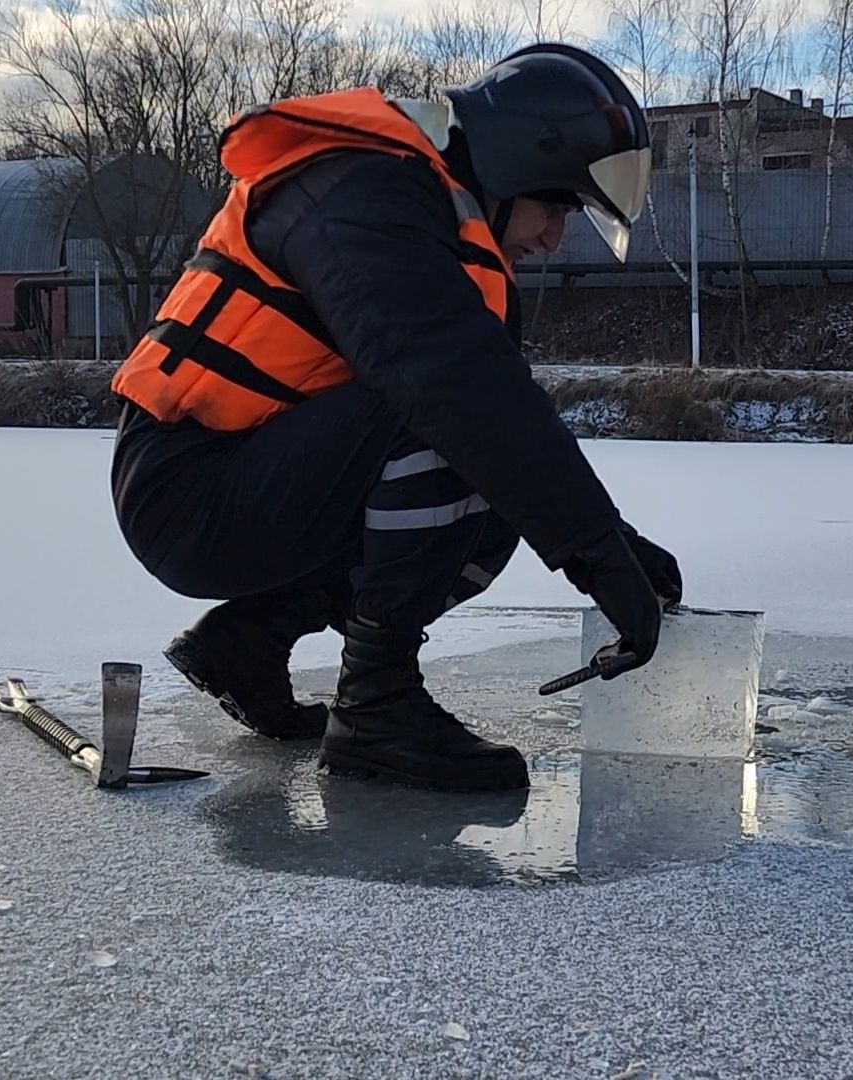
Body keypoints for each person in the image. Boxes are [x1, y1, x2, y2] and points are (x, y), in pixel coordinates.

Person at [108, 43, 684, 794]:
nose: (552, 240)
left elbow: (505, 416)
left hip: (251, 475)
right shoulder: (359, 194)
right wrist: (596, 554)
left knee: (493, 493)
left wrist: (616, 542)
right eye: (556, 208)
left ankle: (249, 642)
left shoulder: (424, 217)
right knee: (455, 426)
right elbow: (452, 388)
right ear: (512, 168)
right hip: (190, 491)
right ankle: (377, 710)